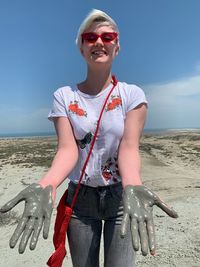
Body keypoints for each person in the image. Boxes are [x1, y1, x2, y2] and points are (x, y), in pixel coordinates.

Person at [0, 9, 178, 267]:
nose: (99, 42)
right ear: (81, 48)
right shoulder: (64, 96)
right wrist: (46, 184)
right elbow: (67, 150)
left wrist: (133, 186)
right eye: (90, 37)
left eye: (108, 37)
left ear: (117, 46)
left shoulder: (132, 95)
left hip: (121, 198)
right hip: (80, 201)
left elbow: (128, 148)